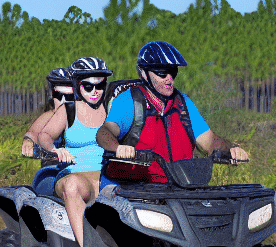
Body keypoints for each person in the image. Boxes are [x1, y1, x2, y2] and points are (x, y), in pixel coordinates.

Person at [97, 40, 249, 187]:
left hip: (178, 189)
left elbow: (209, 142)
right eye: (162, 74)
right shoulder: (129, 101)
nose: (169, 80)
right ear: (143, 73)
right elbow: (104, 132)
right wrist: (118, 148)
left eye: (173, 72)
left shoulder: (183, 103)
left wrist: (231, 149)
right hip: (133, 189)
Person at [35, 57, 113, 247]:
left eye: (100, 85)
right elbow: (45, 134)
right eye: (88, 86)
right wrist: (55, 149)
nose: (95, 92)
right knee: (71, 186)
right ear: (78, 85)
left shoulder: (112, 108)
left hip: (108, 177)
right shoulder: (68, 110)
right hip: (77, 175)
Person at [21, 66, 74, 156]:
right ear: (52, 97)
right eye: (59, 96)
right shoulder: (51, 115)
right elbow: (34, 132)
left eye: (69, 97)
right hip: (53, 163)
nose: (64, 101)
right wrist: (29, 141)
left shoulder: (82, 117)